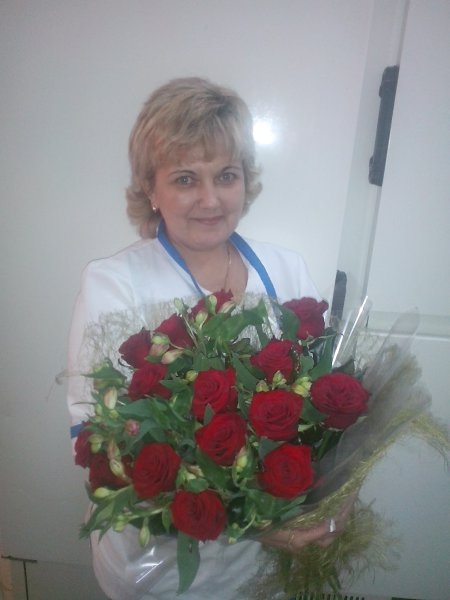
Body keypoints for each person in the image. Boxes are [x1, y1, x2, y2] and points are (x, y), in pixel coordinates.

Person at [67, 77, 353, 600]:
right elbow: (98, 443)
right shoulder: (115, 286)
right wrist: (256, 522)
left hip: (268, 570)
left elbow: (326, 412)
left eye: (226, 175)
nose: (210, 199)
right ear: (150, 188)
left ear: (246, 180)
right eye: (184, 178)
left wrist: (339, 491)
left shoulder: (286, 271)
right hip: (159, 572)